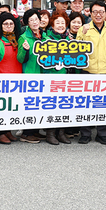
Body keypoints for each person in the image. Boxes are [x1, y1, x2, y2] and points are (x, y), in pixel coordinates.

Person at [76, 0, 106, 145]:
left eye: (101, 12)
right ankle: (85, 133)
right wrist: (82, 34)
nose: (98, 15)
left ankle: (102, 134)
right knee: (86, 104)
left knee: (104, 104)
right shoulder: (84, 28)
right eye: (95, 12)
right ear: (90, 13)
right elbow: (77, 50)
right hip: (88, 71)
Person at [0, 11, 22, 145]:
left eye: (11, 23)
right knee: (1, 108)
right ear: (0, 26)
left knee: (11, 107)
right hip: (0, 79)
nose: (8, 26)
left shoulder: (17, 40)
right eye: (5, 24)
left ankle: (8, 131)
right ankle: (0, 133)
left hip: (16, 78)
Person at [43, 12, 73, 145]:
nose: (61, 25)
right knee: (52, 105)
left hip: (66, 77)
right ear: (52, 24)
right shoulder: (46, 39)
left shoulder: (69, 40)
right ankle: (50, 133)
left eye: (63, 23)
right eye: (58, 23)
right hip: (51, 78)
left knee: (64, 105)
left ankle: (61, 132)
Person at [17, 9, 47, 143]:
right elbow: (20, 59)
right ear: (27, 23)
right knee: (30, 104)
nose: (35, 22)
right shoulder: (24, 37)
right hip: (30, 75)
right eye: (31, 20)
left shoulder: (45, 37)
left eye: (36, 19)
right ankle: (26, 133)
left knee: (39, 104)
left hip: (43, 75)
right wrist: (25, 50)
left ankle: (35, 130)